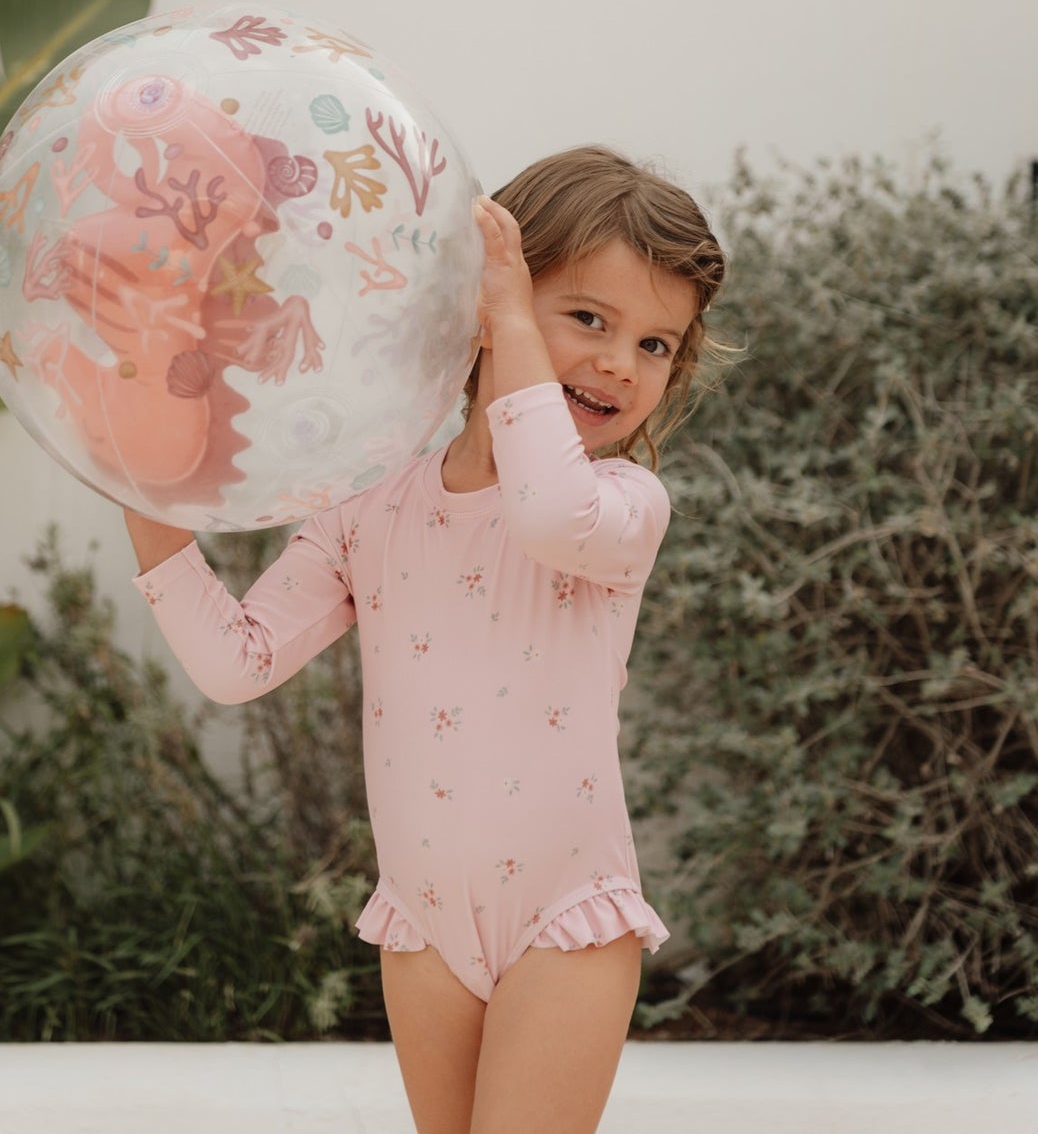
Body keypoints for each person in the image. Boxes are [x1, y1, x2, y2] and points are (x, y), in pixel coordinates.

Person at [125, 145, 727, 1134]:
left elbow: (539, 514)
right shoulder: (373, 506)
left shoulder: (619, 505)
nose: (622, 363)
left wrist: (512, 320)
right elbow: (235, 662)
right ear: (483, 305)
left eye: (656, 344)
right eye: (588, 318)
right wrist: (136, 484)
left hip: (562, 920)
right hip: (425, 924)